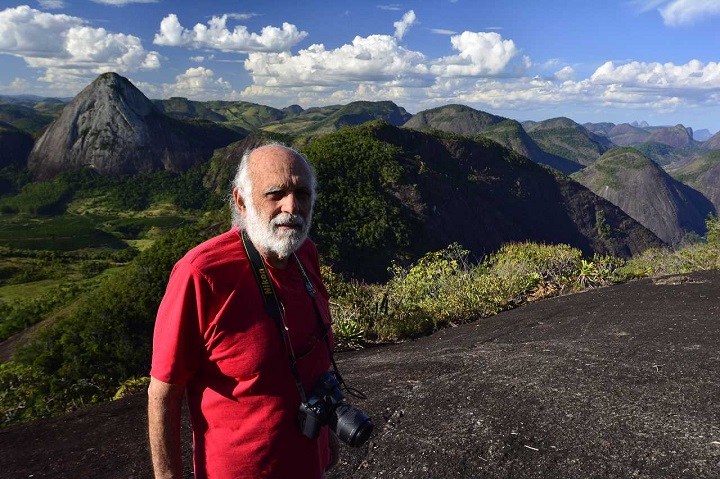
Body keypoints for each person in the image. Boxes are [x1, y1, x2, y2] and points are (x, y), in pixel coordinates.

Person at [148, 143, 338, 479]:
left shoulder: (305, 253)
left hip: (313, 465)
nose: (292, 206)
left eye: (302, 193)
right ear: (241, 201)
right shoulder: (202, 274)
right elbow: (164, 392)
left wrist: (329, 444)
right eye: (275, 193)